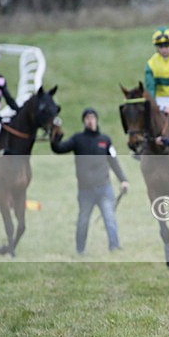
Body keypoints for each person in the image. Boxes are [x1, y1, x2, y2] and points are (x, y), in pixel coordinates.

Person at [51, 107, 129, 254]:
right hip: (85, 190)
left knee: (110, 219)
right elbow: (59, 149)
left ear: (96, 120)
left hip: (104, 188)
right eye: (87, 118)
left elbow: (114, 162)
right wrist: (56, 138)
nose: (90, 121)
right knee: (83, 221)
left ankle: (114, 246)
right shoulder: (77, 139)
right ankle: (80, 250)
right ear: (84, 121)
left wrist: (123, 180)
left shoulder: (105, 140)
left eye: (92, 118)